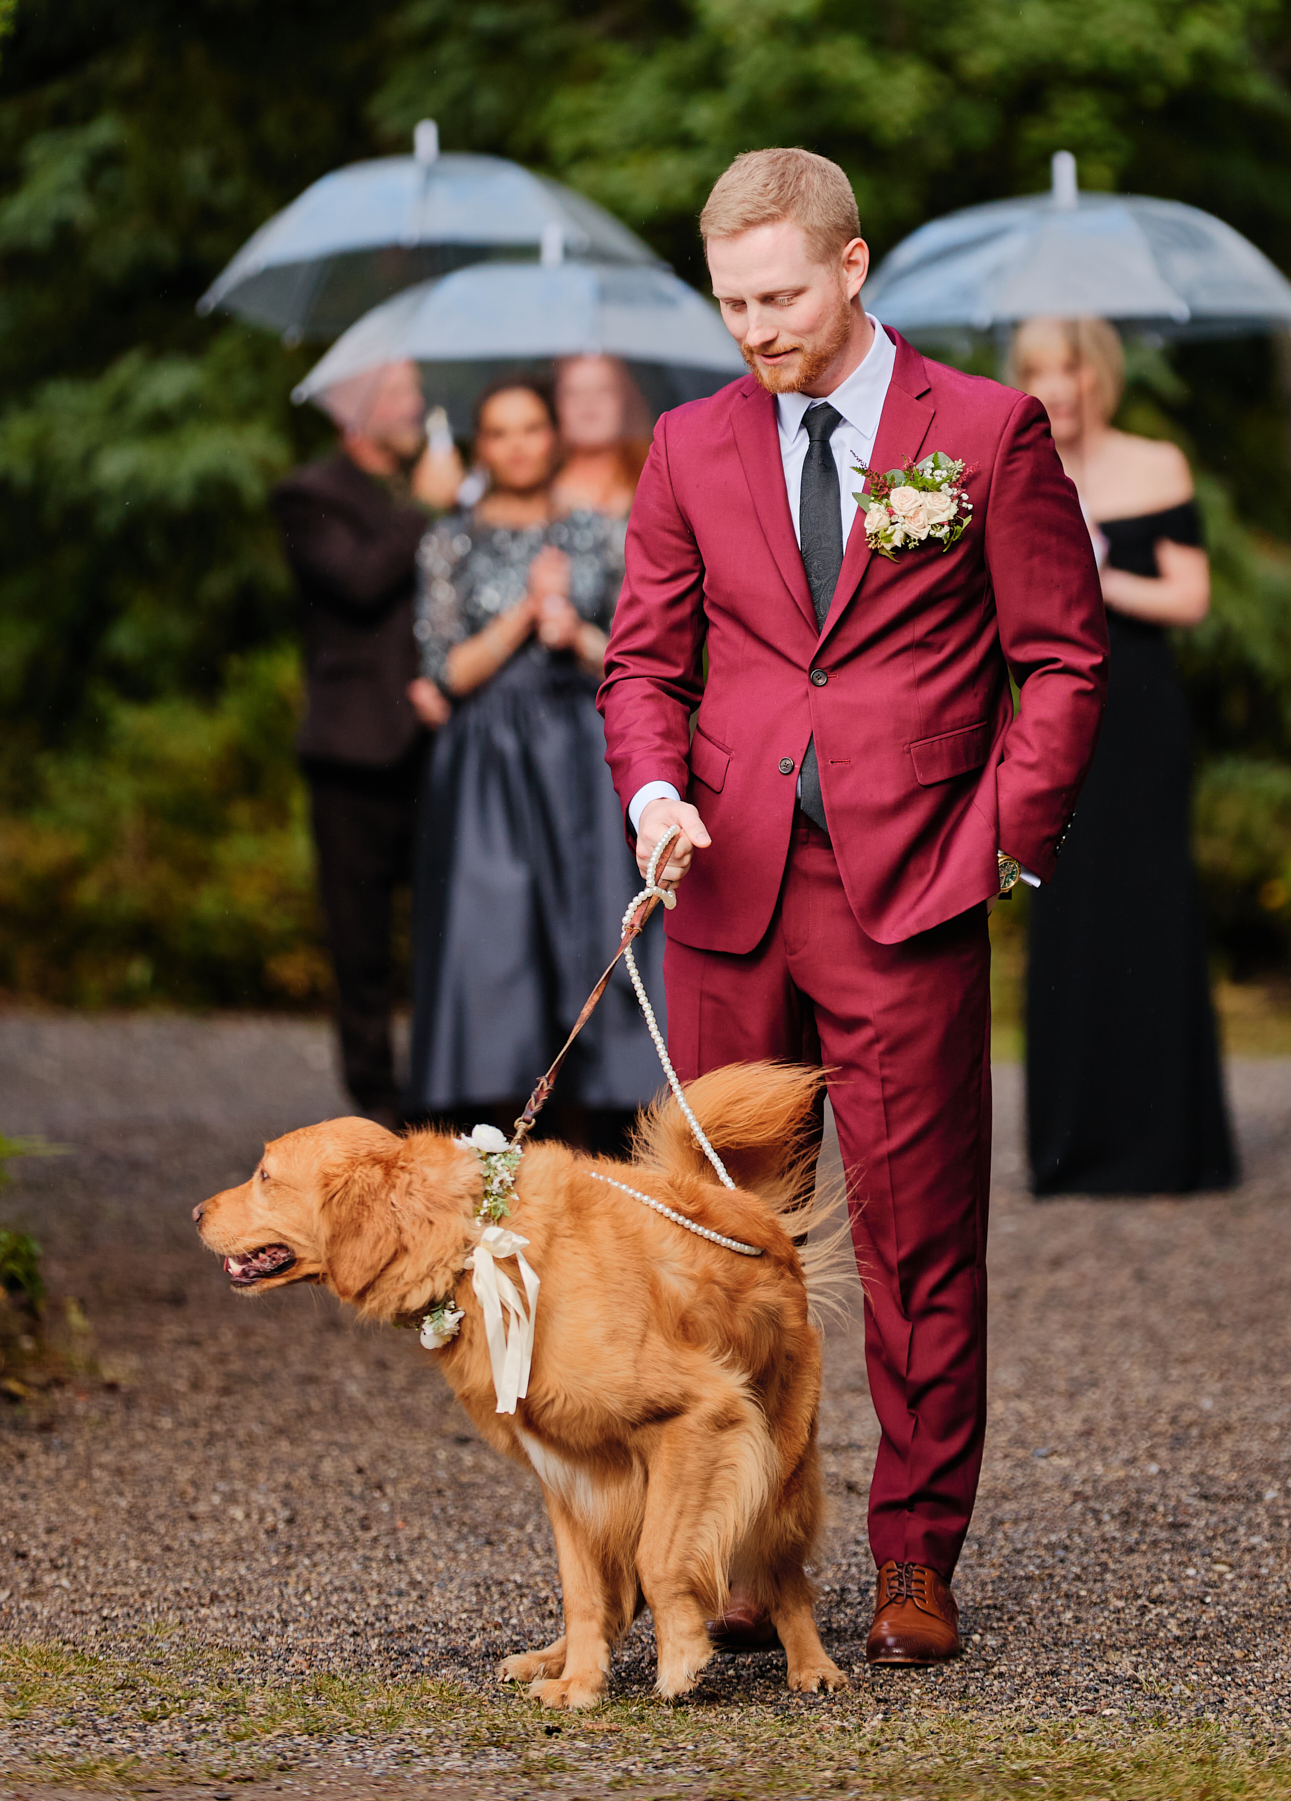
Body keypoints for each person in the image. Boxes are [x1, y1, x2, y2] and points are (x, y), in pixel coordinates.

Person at [600, 149, 1107, 1668]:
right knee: (715, 1248)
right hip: (727, 891)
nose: (753, 328)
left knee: (916, 1239)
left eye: (777, 296)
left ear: (851, 267)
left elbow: (1065, 659)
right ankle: (749, 1559)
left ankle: (912, 1557)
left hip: (911, 895)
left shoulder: (987, 431)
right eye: (729, 302)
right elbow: (643, 666)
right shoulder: (686, 445)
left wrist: (999, 845)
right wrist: (653, 795)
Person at [407, 367, 665, 1152]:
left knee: (592, 925)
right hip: (489, 765)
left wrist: (571, 630)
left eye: (532, 428)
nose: (519, 445)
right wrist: (525, 611)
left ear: (552, 437)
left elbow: (636, 656)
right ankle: (497, 1129)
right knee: (495, 936)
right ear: (483, 446)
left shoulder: (596, 528)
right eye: (501, 432)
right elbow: (444, 670)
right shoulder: (450, 537)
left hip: (580, 759)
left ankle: (612, 1119)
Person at [1013, 316, 1238, 1197]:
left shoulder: (1157, 464)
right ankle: (1072, 1146)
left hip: (1141, 714)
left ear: (1098, 374)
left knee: (1150, 905)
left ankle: (1169, 1144)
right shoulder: (1017, 466)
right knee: (1067, 911)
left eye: (1067, 367)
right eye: (1037, 370)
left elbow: (1190, 596)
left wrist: (1099, 573)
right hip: (1049, 716)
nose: (1055, 386)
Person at [271, 358, 463, 1126]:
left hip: (434, 745)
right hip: (351, 753)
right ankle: (374, 1104)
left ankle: (440, 1090)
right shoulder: (308, 495)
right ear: (359, 410)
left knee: (444, 930)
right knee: (359, 942)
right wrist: (423, 509)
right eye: (405, 393)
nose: (420, 405)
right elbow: (354, 582)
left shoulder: (434, 487)